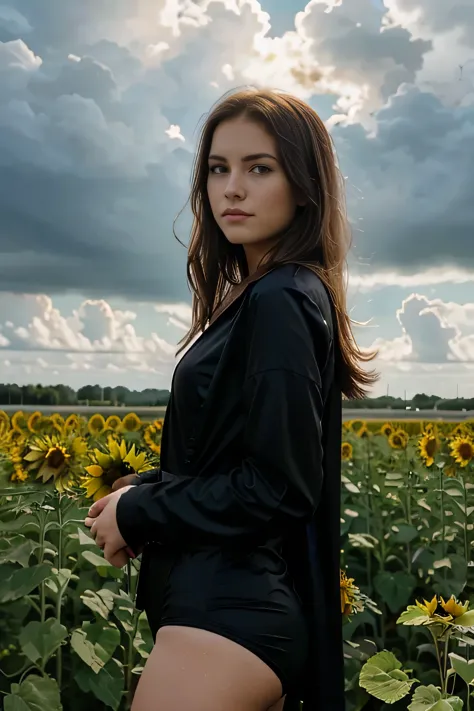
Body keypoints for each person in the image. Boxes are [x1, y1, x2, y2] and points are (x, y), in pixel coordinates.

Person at [85, 87, 378, 711]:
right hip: (225, 618)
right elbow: (232, 460)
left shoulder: (280, 300)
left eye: (259, 168)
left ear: (304, 185)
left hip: (228, 618)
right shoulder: (269, 295)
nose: (232, 189)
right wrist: (138, 490)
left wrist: (142, 513)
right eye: (219, 169)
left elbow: (278, 485)